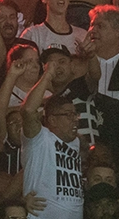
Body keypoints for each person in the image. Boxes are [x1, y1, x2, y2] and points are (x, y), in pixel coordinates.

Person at [20, 63, 83, 219]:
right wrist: (47, 75)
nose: (75, 120)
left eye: (75, 115)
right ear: (52, 120)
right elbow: (28, 110)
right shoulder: (40, 138)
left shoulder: (76, 143)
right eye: (68, 115)